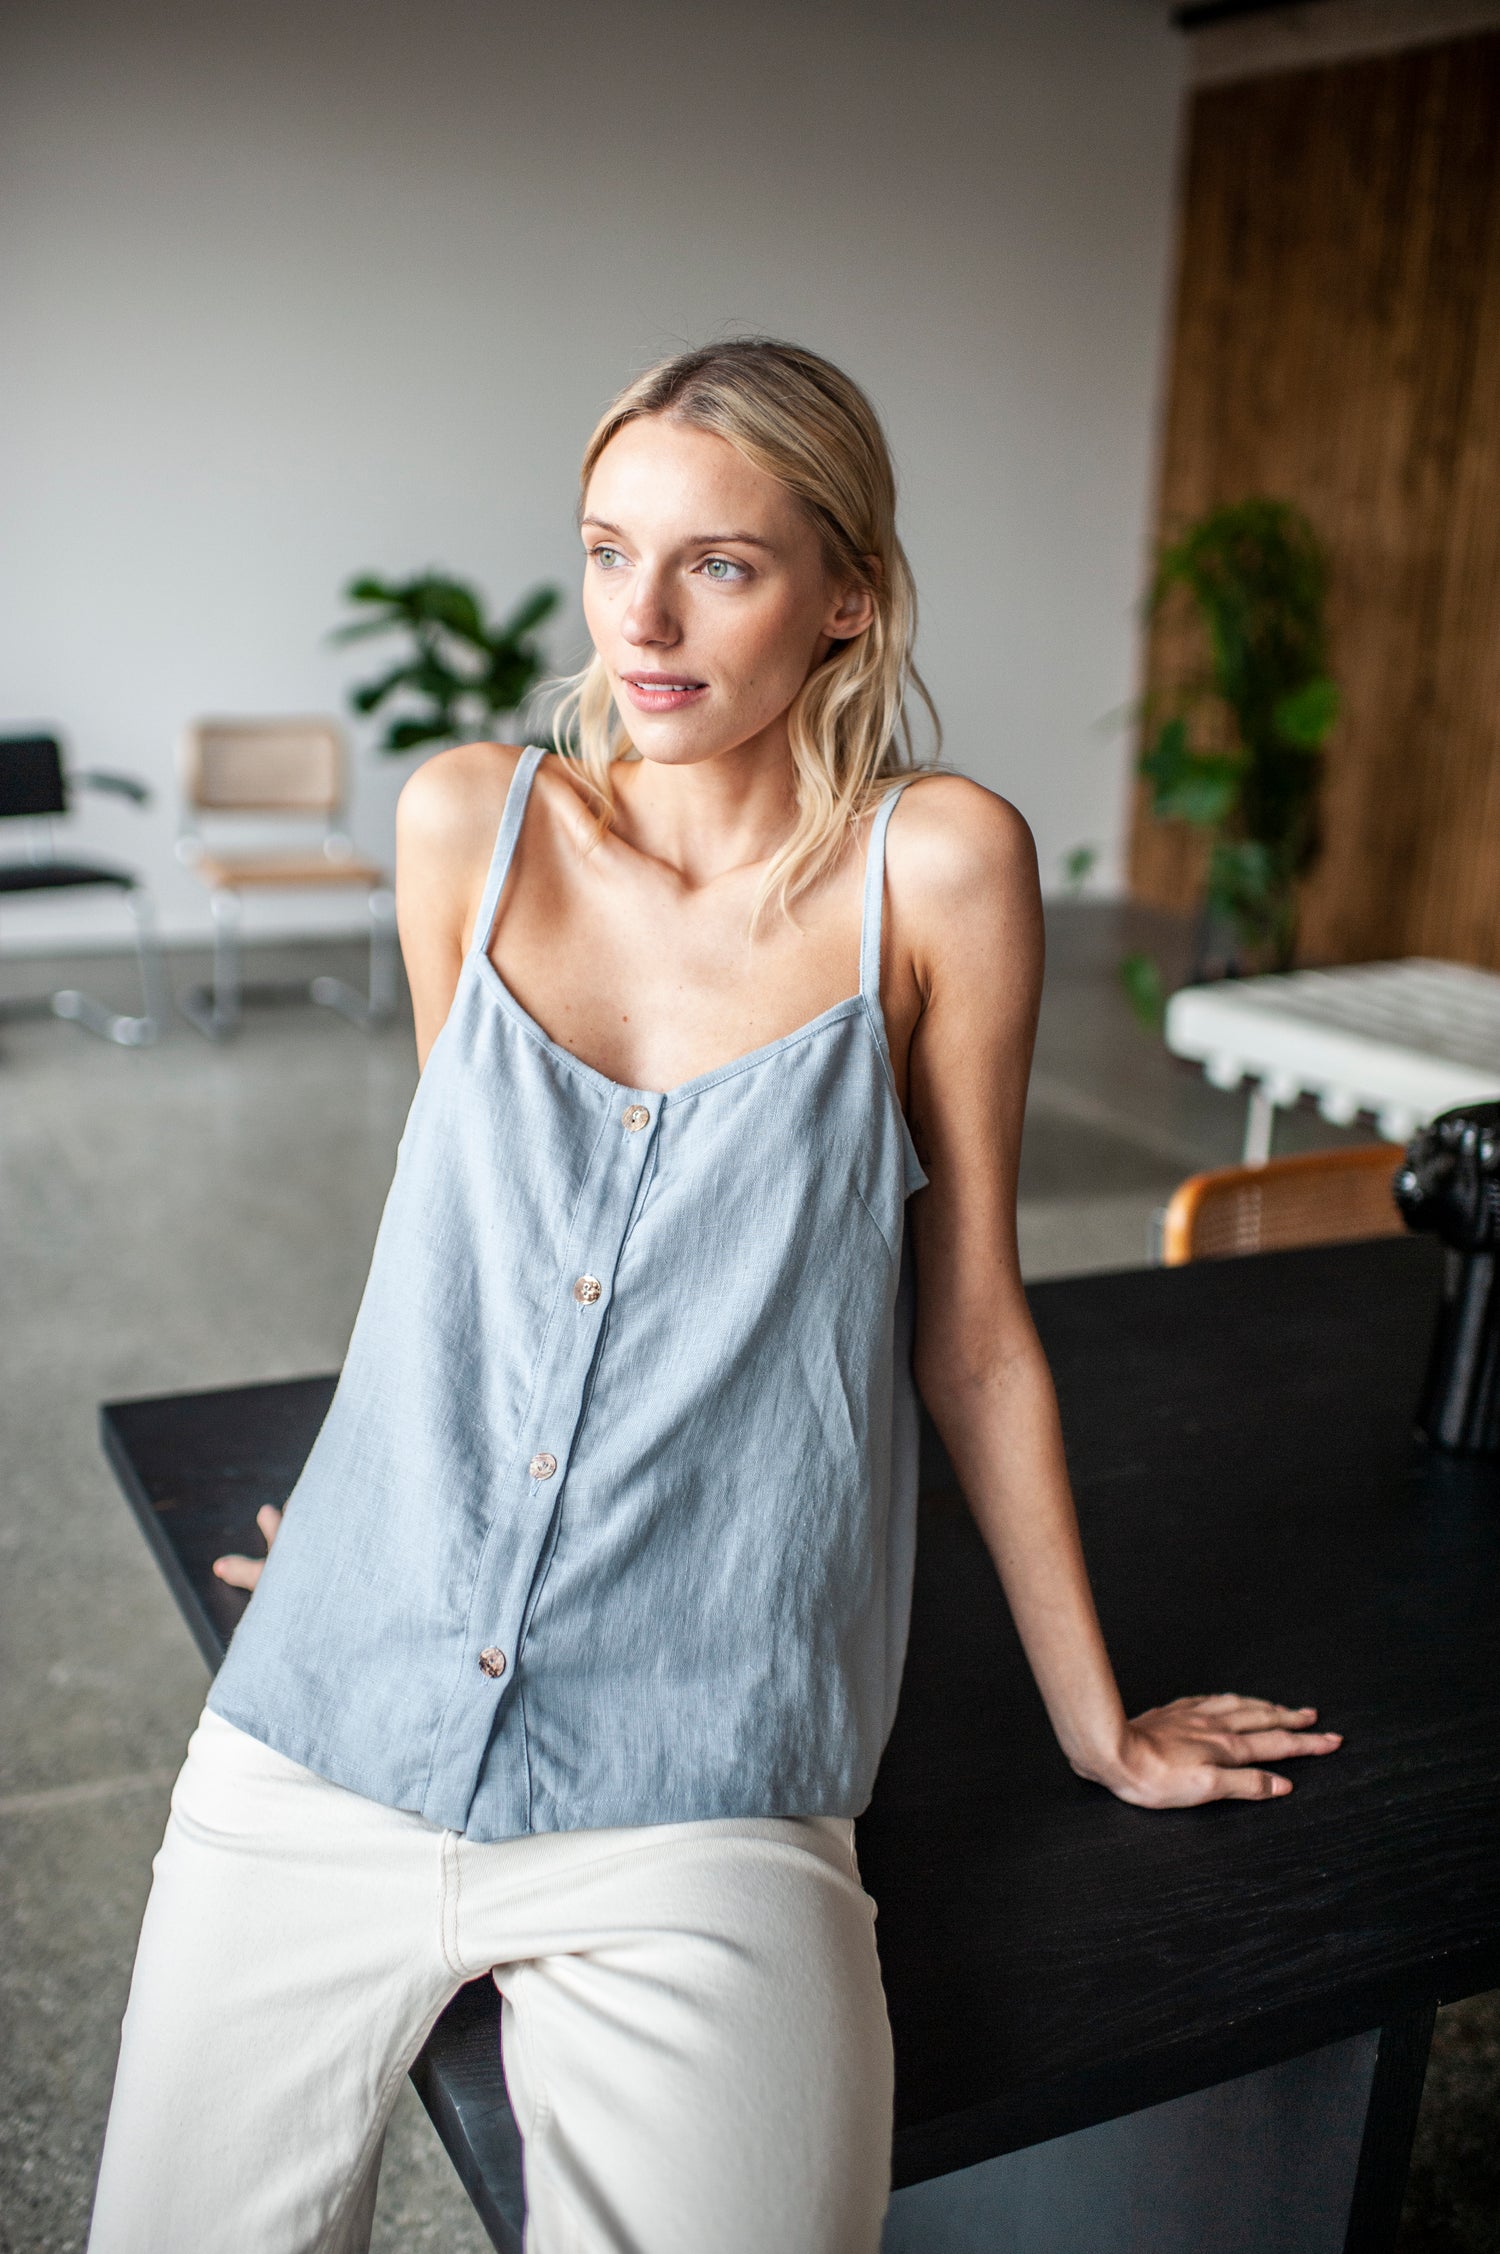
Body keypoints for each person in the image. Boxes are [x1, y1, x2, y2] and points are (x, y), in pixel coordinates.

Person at [89, 339, 1340, 2254]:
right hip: (338, 1717)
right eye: (609, 553)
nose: (642, 621)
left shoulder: (937, 871)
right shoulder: (466, 825)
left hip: (705, 1771)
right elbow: (462, 1246)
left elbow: (975, 1325)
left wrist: (1097, 1722)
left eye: (721, 566)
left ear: (848, 592)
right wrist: (384, 1513)